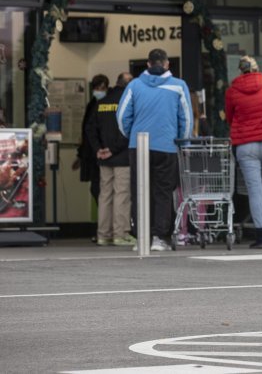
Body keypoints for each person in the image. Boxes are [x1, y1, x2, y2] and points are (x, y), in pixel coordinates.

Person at [117, 48, 193, 252]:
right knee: (163, 192)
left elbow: (122, 116)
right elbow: (185, 119)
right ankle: (159, 237)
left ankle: (142, 236)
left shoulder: (134, 85)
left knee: (139, 191)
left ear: (148, 64)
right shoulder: (179, 86)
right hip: (167, 146)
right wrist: (182, 143)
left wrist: (132, 135)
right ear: (167, 64)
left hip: (138, 146)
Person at [225, 56, 262, 249]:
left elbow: (230, 117)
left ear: (240, 71)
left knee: (254, 191)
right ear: (257, 69)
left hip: (246, 146)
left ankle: (261, 237)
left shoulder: (232, 91)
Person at [86, 72, 136, 246]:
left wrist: (98, 149)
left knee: (105, 195)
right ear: (130, 85)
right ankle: (120, 234)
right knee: (121, 195)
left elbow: (90, 129)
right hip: (121, 157)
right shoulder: (129, 102)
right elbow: (128, 131)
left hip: (103, 158)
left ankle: (103, 234)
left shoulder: (102, 102)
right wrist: (112, 150)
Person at [74, 74, 109, 208]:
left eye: (101, 88)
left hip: (101, 153)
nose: (99, 91)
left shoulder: (104, 104)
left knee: (99, 189)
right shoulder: (92, 104)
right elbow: (86, 131)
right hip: (92, 154)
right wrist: (80, 156)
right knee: (96, 188)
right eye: (97, 88)